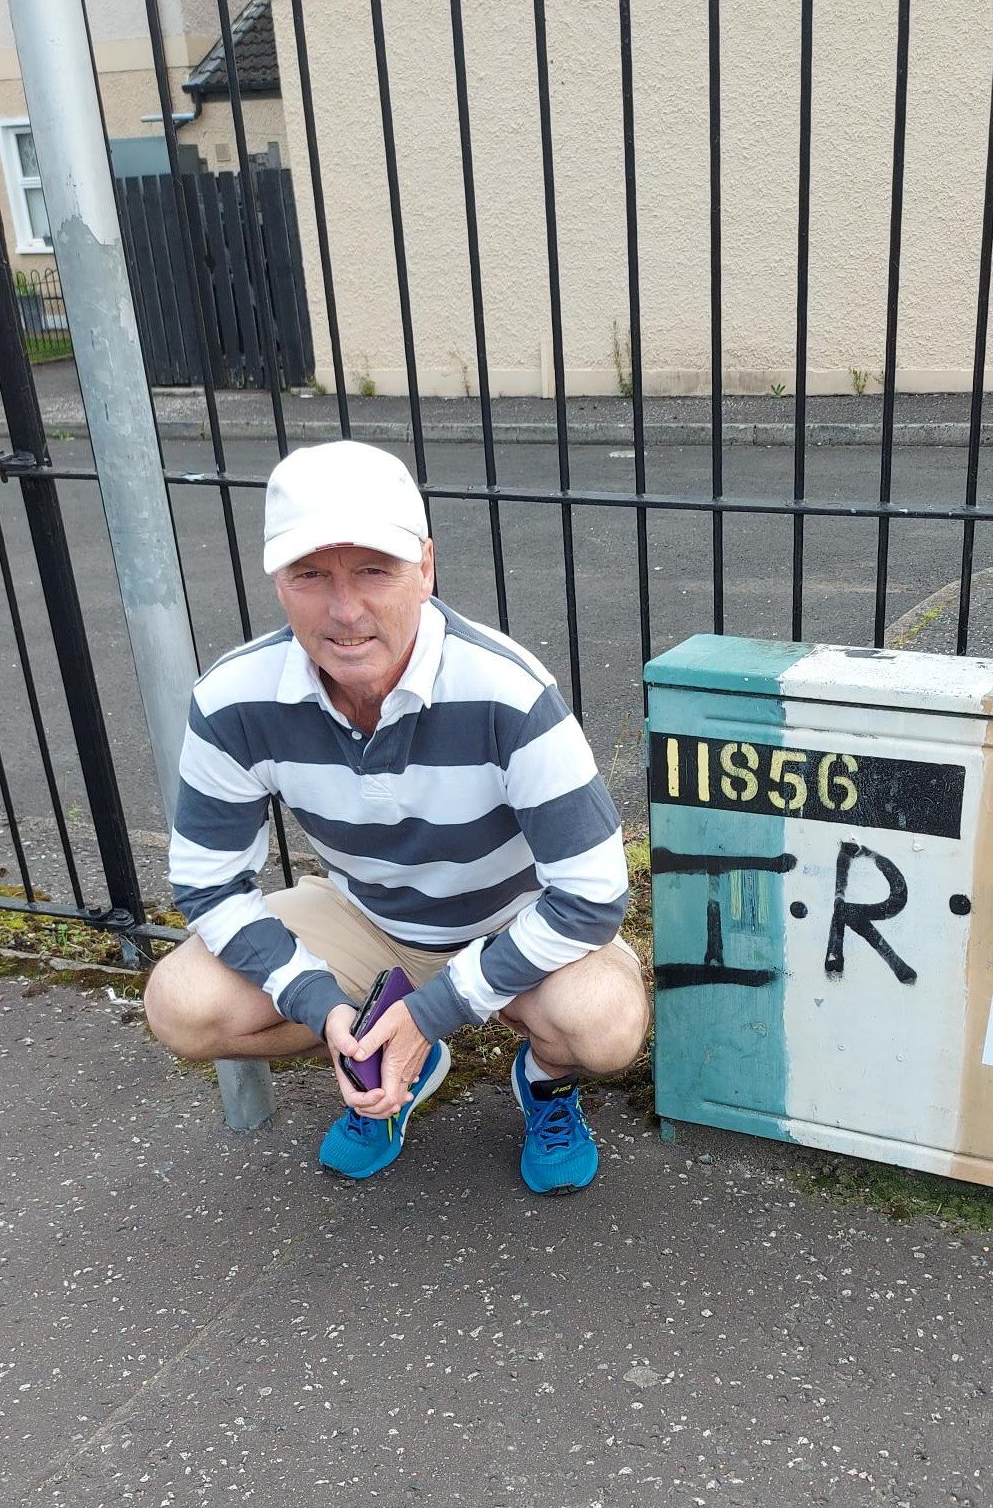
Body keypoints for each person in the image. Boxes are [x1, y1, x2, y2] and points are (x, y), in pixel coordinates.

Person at [144, 440, 648, 1195]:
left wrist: (438, 1006)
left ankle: (544, 1083)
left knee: (605, 1025)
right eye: (311, 574)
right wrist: (316, 1001)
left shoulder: (506, 691)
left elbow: (592, 891)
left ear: (426, 567)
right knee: (179, 1005)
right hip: (368, 919)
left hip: (511, 923)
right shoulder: (233, 698)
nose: (344, 610)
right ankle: (379, 1056)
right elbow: (209, 883)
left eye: (373, 570)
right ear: (279, 584)